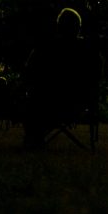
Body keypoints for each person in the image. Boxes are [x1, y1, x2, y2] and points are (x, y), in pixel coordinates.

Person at [22, 8, 102, 149]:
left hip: (46, 101)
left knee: (32, 98)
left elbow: (29, 73)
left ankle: (34, 137)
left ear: (59, 26)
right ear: (78, 28)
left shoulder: (45, 49)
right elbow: (97, 77)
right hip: (79, 103)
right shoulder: (90, 51)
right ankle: (35, 137)